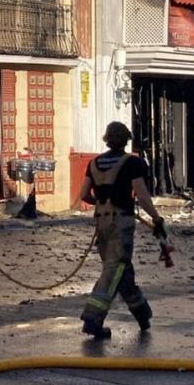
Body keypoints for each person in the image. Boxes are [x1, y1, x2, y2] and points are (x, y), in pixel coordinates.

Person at [75, 122, 165, 339]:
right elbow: (142, 196)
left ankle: (143, 314)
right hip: (121, 221)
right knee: (114, 269)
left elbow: (85, 194)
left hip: (102, 222)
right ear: (126, 140)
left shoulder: (94, 163)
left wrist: (102, 199)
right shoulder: (133, 163)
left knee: (121, 270)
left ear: (107, 140)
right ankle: (92, 318)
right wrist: (156, 218)